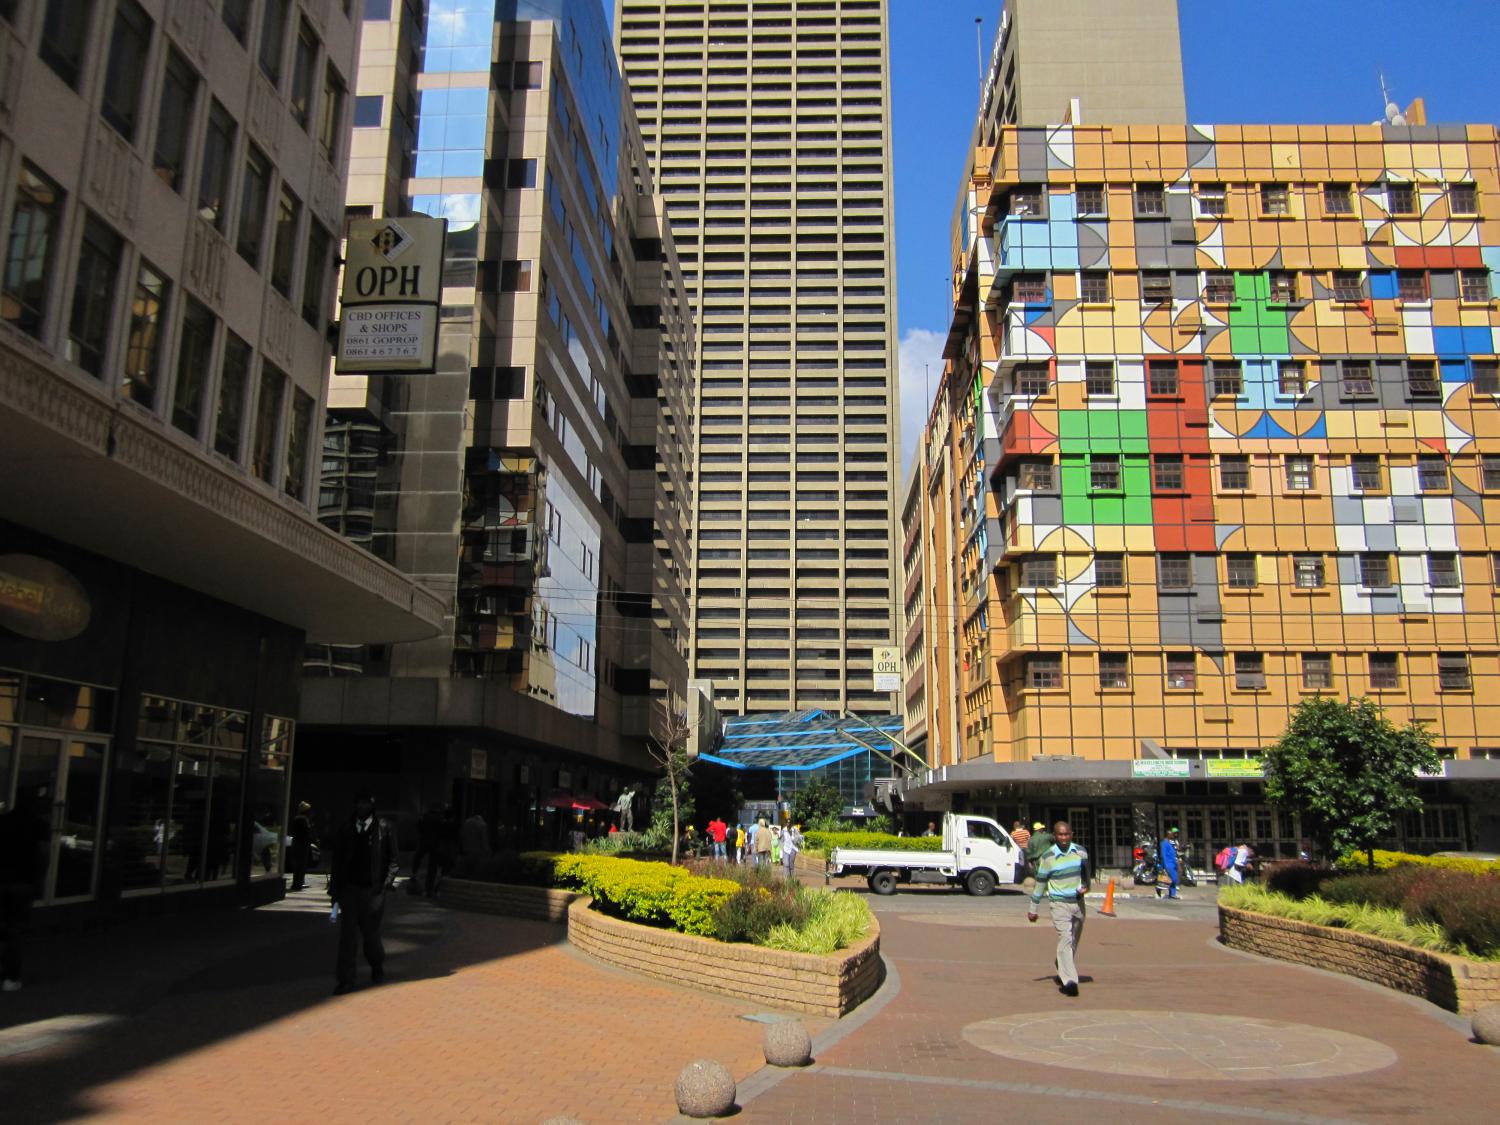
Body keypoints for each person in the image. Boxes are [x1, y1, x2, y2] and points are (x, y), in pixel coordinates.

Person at [329, 787, 398, 995]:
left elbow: (393, 859)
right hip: (350, 889)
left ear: (372, 806)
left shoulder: (384, 828)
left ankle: (377, 964)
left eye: (366, 803)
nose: (362, 807)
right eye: (359, 803)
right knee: (347, 937)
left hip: (372, 891)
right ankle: (346, 979)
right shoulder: (346, 828)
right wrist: (335, 890)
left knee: (371, 935)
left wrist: (386, 883)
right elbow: (337, 860)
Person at [1027, 820, 1090, 997]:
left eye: (1067, 834)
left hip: (1077, 902)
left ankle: (1061, 963)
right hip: (1058, 903)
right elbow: (1040, 884)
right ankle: (1070, 981)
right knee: (1065, 938)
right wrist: (1033, 908)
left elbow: (1086, 876)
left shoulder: (1081, 852)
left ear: (1072, 834)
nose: (1064, 838)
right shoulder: (1048, 857)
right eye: (1060, 835)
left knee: (1074, 939)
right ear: (1054, 836)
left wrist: (1086, 888)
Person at [0, 789, 50, 992]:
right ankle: (10, 977)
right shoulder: (39, 825)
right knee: (16, 929)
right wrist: (40, 880)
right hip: (23, 882)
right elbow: (43, 854)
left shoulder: (3, 821)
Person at [412, 804, 443, 895]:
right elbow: (441, 831)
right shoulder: (439, 818)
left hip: (424, 841)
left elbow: (419, 827)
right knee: (432, 866)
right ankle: (429, 889)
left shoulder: (425, 817)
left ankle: (414, 874)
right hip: (435, 843)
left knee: (418, 858)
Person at [288, 800, 317, 891]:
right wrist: (312, 838)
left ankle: (297, 883)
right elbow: (306, 832)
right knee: (301, 864)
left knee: (297, 865)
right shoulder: (303, 820)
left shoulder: (297, 819)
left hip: (296, 843)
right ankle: (298, 884)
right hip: (302, 845)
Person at [1157, 827, 1181, 899]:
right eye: (1171, 834)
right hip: (1168, 863)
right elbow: (1163, 855)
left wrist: (1177, 862)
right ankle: (1159, 888)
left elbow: (1174, 852)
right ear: (1167, 835)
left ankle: (1172, 894)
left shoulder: (1171, 843)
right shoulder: (1164, 843)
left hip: (1173, 863)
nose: (1173, 835)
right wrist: (1165, 865)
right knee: (1174, 878)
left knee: (1173, 878)